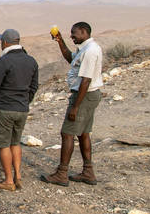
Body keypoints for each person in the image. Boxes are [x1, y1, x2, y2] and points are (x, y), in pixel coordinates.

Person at [41, 22, 103, 186]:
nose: (71, 36)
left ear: (83, 32)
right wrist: (60, 41)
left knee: (67, 133)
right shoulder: (85, 48)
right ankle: (88, 172)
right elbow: (71, 59)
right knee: (83, 133)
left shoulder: (90, 51)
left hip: (84, 96)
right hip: (88, 96)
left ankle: (62, 174)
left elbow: (86, 80)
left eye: (74, 33)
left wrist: (75, 106)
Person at [0, 29, 39, 191]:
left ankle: (8, 181)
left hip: (5, 108)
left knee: (4, 145)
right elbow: (34, 86)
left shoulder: (3, 61)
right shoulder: (31, 61)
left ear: (5, 42)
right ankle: (18, 176)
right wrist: (25, 101)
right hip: (22, 108)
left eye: (1, 41)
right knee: (15, 143)